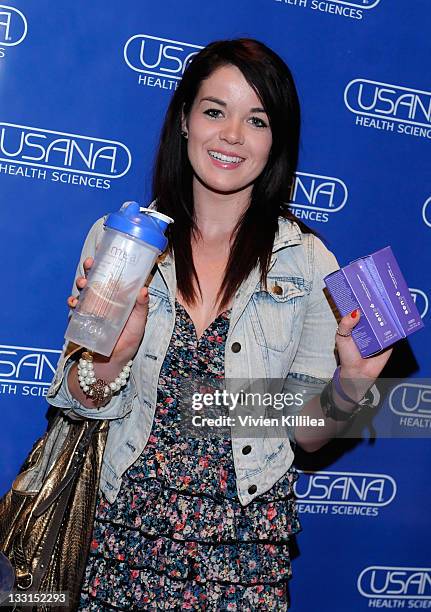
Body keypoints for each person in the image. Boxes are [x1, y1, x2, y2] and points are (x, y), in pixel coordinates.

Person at [47, 39, 392, 610]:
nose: (232, 134)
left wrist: (352, 381)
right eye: (214, 111)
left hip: (243, 553)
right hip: (121, 539)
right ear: (185, 121)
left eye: (256, 119)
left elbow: (308, 434)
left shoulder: (306, 263)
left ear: (275, 139)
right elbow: (79, 402)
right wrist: (115, 352)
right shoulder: (123, 242)